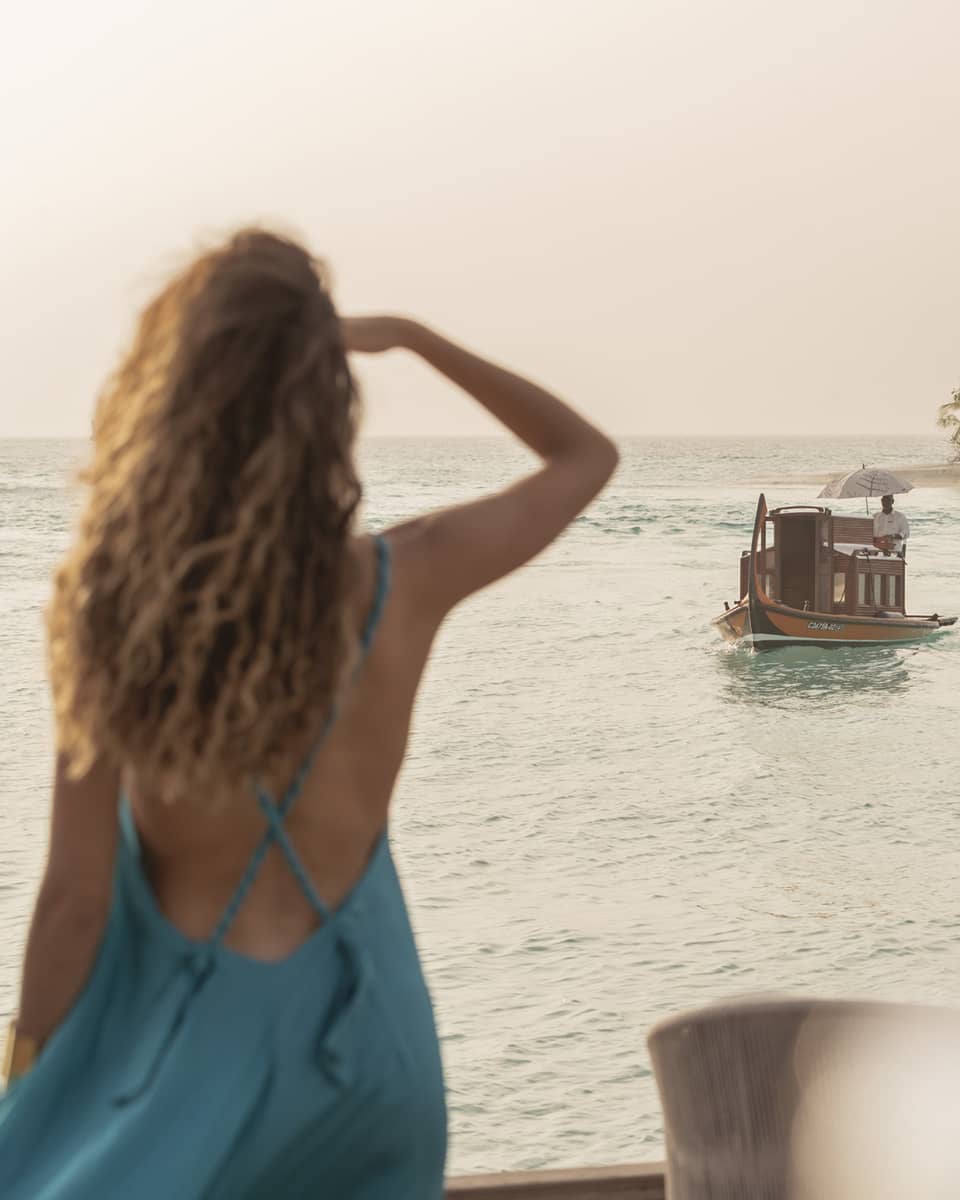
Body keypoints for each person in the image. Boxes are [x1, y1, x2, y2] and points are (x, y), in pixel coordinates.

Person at [0, 229, 618, 1198]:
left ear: (173, 395)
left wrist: (28, 1077)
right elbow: (586, 456)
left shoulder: (111, 610)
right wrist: (417, 339)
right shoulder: (403, 580)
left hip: (206, 1077)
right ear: (326, 401)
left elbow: (75, 900)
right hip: (378, 1063)